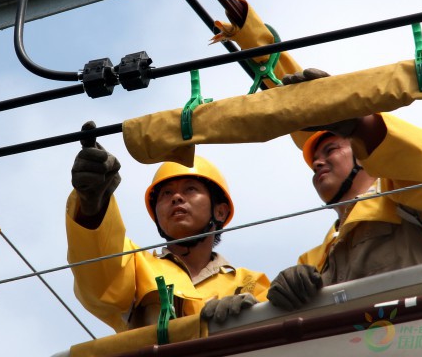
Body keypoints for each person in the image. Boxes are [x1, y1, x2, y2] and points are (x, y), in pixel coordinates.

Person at [266, 69, 422, 311]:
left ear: (362, 156)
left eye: (330, 150)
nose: (317, 163)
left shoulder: (403, 203)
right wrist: (275, 297)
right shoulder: (312, 260)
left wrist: (360, 124)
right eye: (314, 160)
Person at [66, 121, 270, 332]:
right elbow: (100, 273)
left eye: (190, 189)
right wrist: (93, 204)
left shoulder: (249, 284)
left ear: (220, 211)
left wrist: (252, 315)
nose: (176, 197)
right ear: (156, 215)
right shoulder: (137, 268)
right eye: (166, 193)